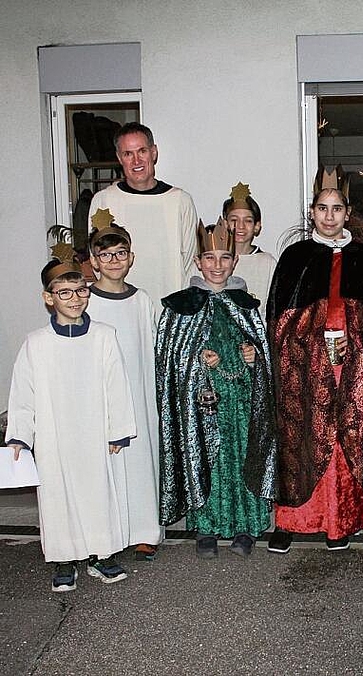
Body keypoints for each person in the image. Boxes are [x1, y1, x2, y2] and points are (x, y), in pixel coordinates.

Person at [266, 170, 363, 553]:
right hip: (305, 367)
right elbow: (277, 320)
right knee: (300, 436)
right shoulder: (295, 258)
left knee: (344, 439)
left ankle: (339, 520)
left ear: (348, 212)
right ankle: (291, 519)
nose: (329, 215)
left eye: (336, 208)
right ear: (311, 212)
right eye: (322, 208)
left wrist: (354, 335)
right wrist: (315, 333)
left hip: (353, 367)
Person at [6, 258, 136, 591]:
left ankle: (100, 555)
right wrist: (20, 436)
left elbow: (116, 384)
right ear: (49, 298)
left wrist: (117, 429)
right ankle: (64, 559)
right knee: (57, 494)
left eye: (80, 291)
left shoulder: (104, 337)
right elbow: (23, 392)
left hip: (93, 432)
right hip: (54, 434)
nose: (76, 299)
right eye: (65, 293)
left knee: (97, 492)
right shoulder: (36, 343)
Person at [156, 220, 278, 558]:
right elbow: (170, 363)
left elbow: (266, 358)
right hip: (202, 404)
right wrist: (197, 362)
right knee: (206, 459)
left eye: (225, 257)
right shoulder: (180, 307)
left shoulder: (247, 306)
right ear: (198, 262)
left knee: (242, 459)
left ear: (234, 261)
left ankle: (246, 525)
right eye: (209, 258)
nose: (217, 265)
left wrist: (254, 360)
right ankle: (205, 527)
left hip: (240, 403)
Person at [87, 210, 162, 560]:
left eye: (120, 253)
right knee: (106, 466)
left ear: (131, 257)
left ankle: (145, 530)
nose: (114, 260)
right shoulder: (85, 302)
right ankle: (108, 533)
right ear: (93, 261)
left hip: (139, 392)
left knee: (141, 460)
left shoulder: (141, 300)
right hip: (102, 396)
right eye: (105, 255)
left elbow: (153, 346)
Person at [88, 122, 198, 306]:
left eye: (142, 151)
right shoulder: (104, 201)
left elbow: (189, 260)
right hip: (121, 305)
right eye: (128, 154)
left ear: (154, 153)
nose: (136, 161)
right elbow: (99, 259)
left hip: (170, 305)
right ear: (119, 158)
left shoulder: (180, 200)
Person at [222, 181, 277, 314]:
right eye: (234, 220)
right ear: (224, 224)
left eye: (248, 221)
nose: (240, 226)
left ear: (257, 226)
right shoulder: (211, 261)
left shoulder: (268, 263)